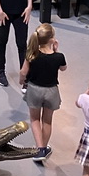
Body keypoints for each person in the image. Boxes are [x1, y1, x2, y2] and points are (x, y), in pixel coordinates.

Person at [19, 23, 67, 164]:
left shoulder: (32, 55)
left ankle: (39, 148)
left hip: (35, 89)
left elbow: (23, 72)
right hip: (52, 91)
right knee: (47, 121)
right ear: (52, 39)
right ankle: (44, 148)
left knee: (35, 119)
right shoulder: (59, 57)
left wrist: (22, 81)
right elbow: (63, 68)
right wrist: (56, 50)